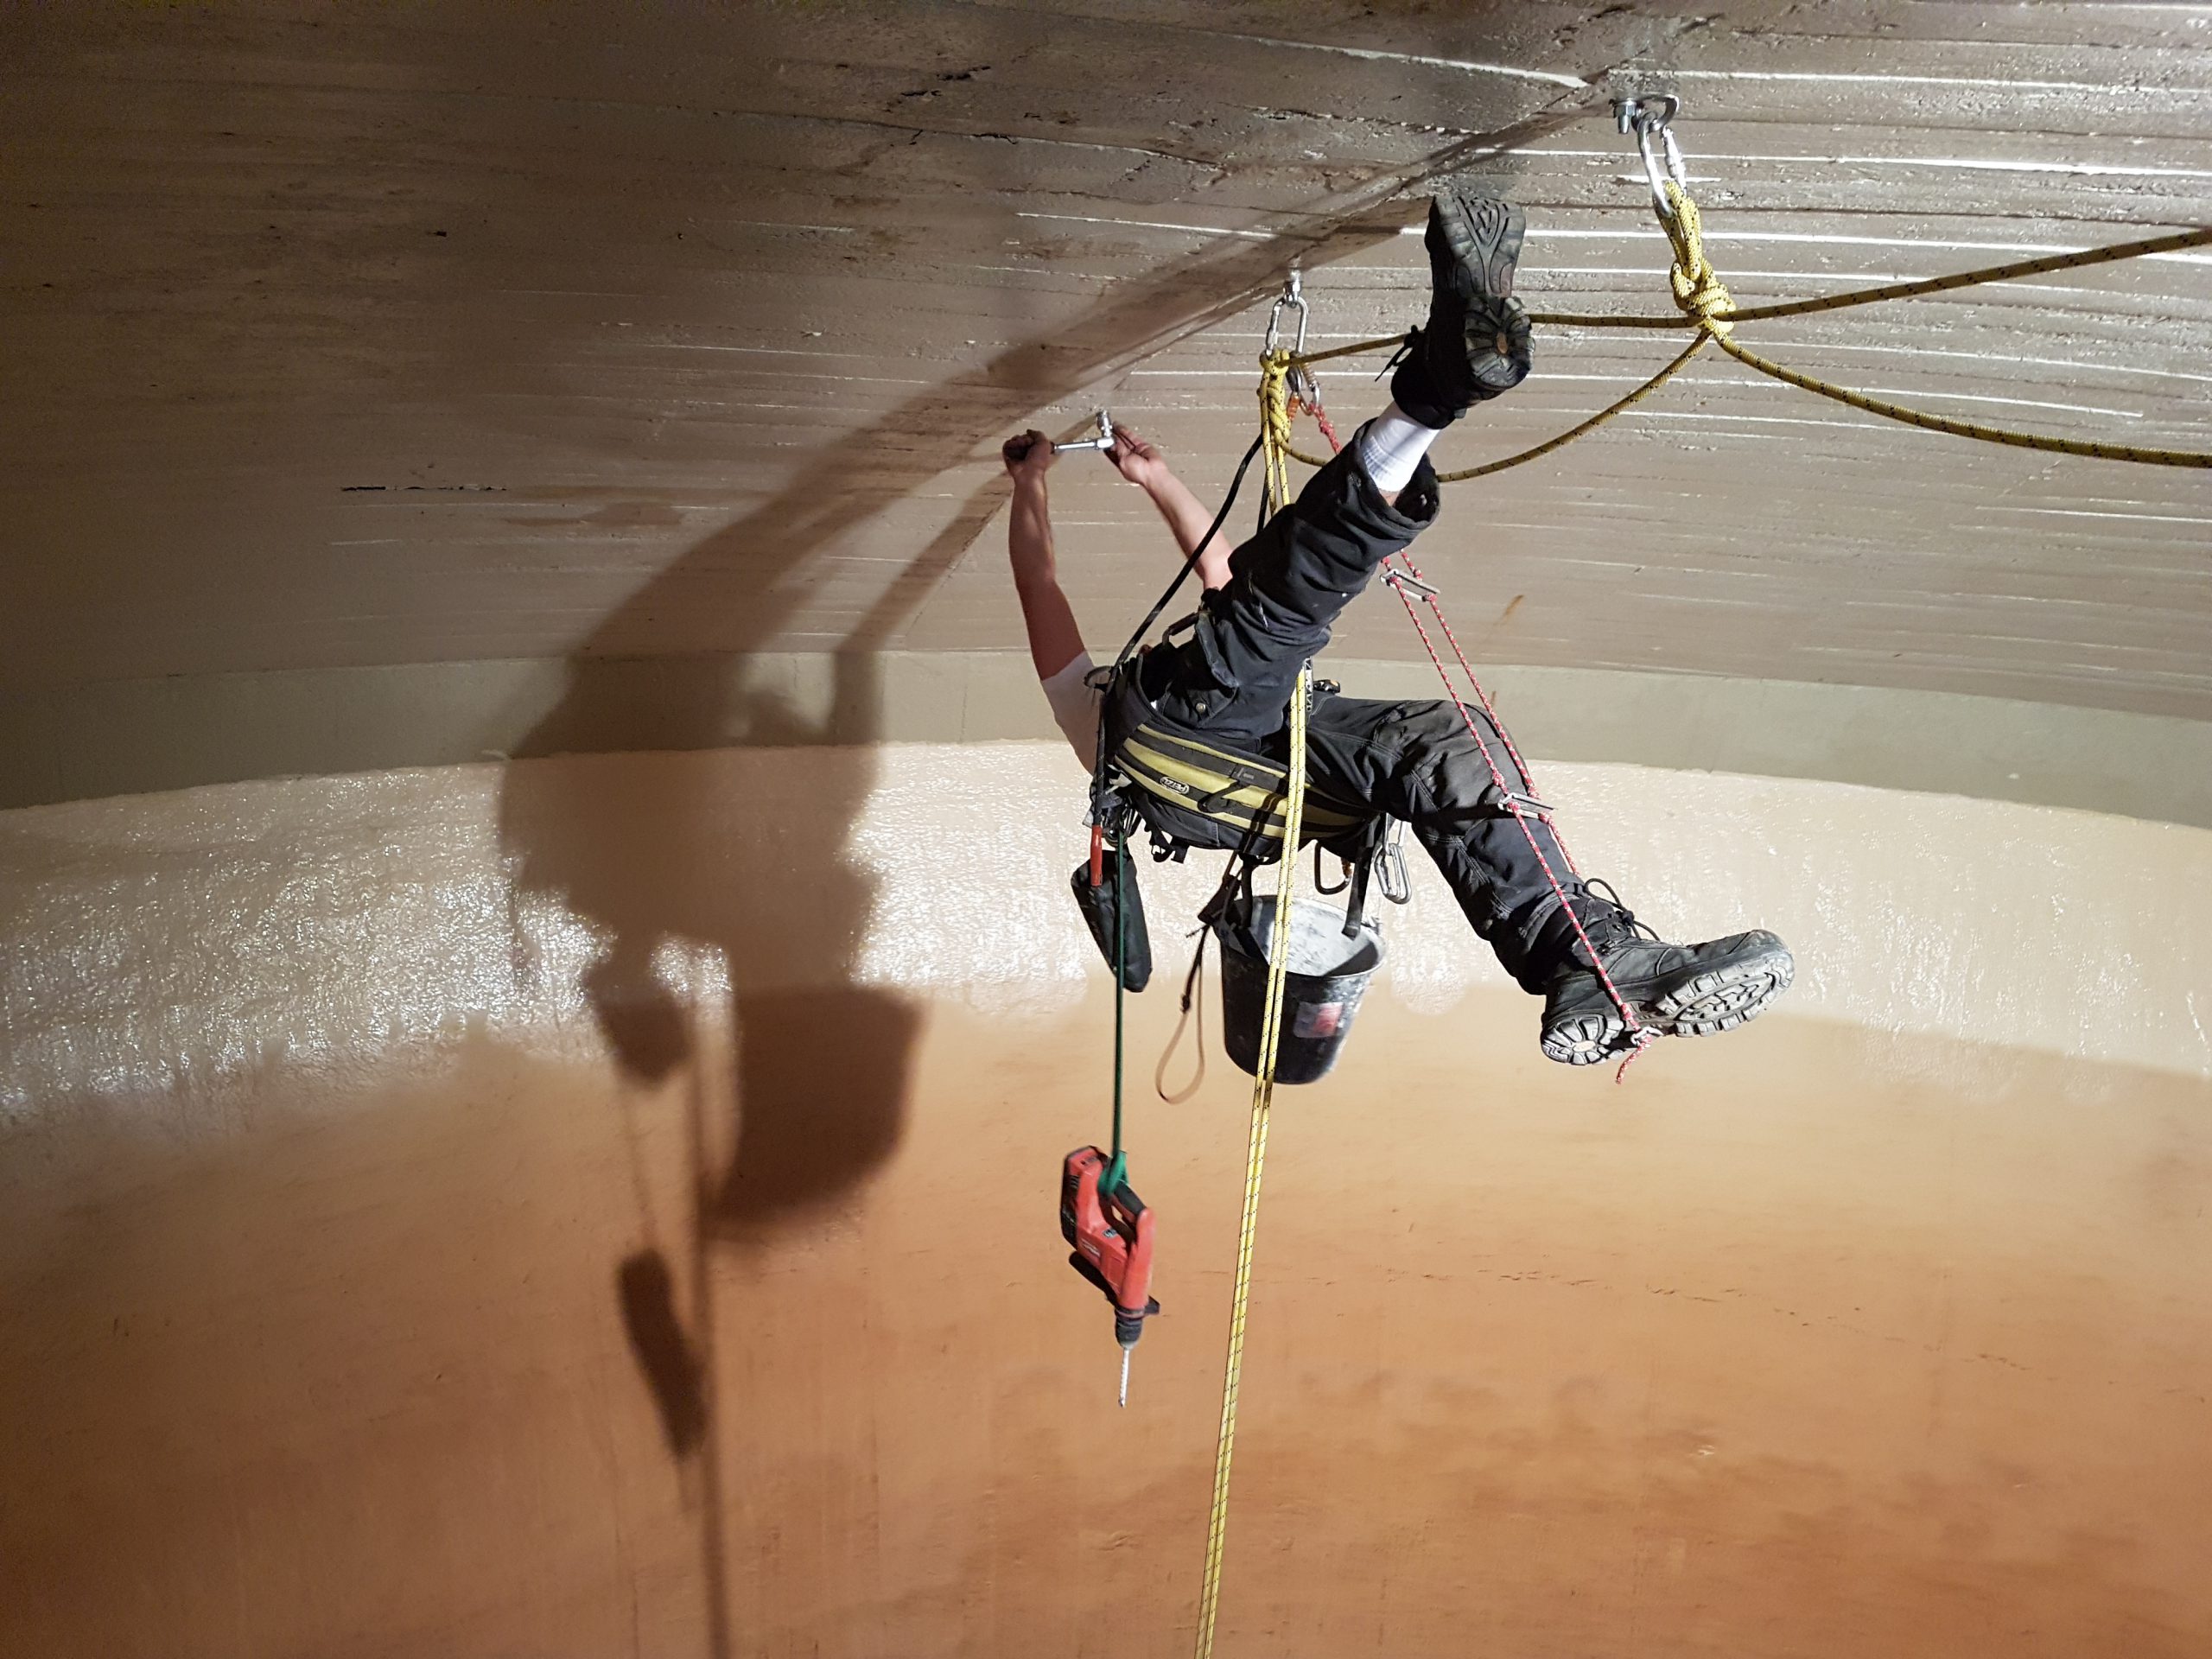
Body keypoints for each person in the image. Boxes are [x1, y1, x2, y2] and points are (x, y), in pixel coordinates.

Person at [1003, 188, 1793, 1065]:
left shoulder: (1143, 707)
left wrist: (1127, 481)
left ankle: (1586, 963)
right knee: (1275, 621)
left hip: (1271, 771)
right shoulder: (1112, 723)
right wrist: (1034, 484)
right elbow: (1045, 585)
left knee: (1440, 740)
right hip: (1243, 760)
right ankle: (1430, 396)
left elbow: (1198, 586)